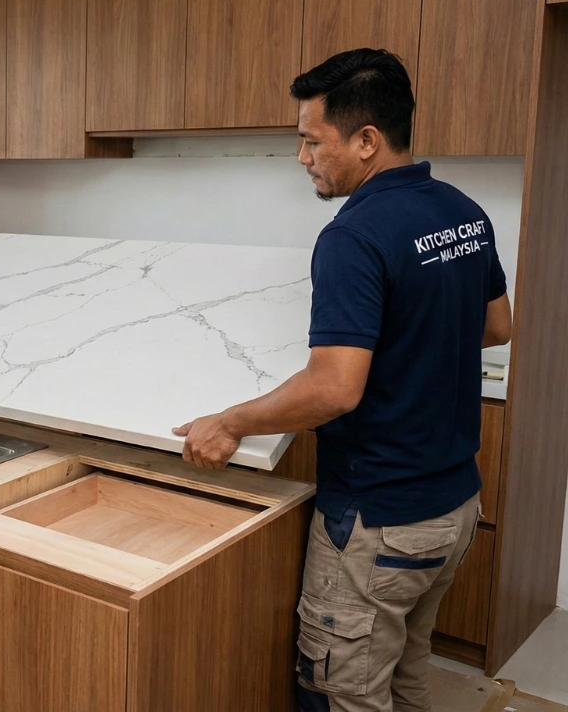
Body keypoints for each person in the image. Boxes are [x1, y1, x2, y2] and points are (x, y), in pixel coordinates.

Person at [171, 49, 513, 712]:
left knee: (343, 692)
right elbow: (497, 326)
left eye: (310, 140)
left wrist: (230, 421)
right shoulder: (465, 213)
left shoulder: (354, 236)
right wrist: (415, 337)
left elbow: (333, 390)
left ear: (365, 141)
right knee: (407, 676)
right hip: (454, 511)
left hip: (380, 521)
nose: (302, 157)